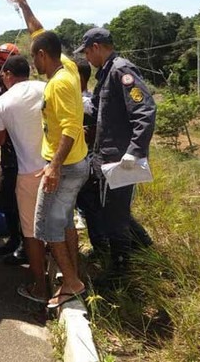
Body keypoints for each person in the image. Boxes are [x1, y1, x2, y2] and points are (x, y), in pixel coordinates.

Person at [13, 0, 89, 309]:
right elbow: (39, 32)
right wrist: (24, 5)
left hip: (65, 165)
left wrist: (54, 166)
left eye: (35, 58)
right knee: (65, 221)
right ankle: (71, 272)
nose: (34, 64)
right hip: (77, 163)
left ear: (44, 55)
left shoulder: (57, 84)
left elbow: (71, 127)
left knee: (45, 225)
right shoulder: (68, 67)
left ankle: (71, 283)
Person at [73, 27, 156, 276]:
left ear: (96, 47)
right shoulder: (106, 73)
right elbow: (98, 109)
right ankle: (145, 248)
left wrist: (135, 150)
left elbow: (145, 110)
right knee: (112, 211)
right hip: (106, 157)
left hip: (121, 160)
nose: (87, 58)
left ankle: (121, 272)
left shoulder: (121, 70)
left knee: (115, 218)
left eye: (87, 52)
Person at [0, 54, 48, 303]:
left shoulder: (3, 102)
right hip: (57, 166)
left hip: (27, 171)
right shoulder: (47, 88)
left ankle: (40, 287)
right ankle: (69, 279)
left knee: (31, 232)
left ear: (7, 75)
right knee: (61, 225)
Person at [0, 43, 27, 265]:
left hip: (22, 153)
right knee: (5, 200)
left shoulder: (20, 89)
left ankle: (24, 245)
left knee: (22, 203)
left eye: (3, 62)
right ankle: (13, 239)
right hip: (7, 154)